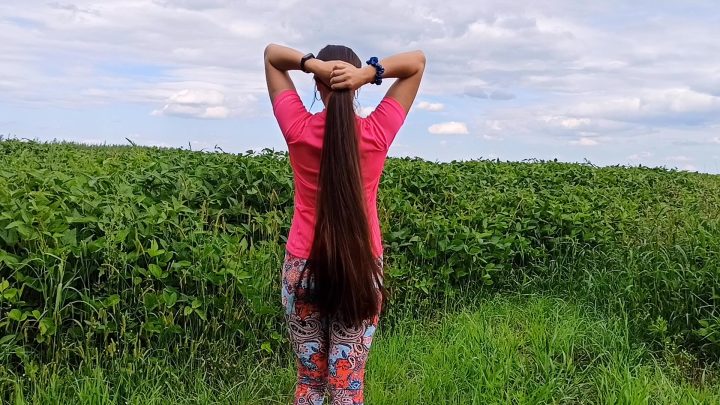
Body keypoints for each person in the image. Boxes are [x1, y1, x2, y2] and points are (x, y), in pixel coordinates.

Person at [264, 42, 425, 405]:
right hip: (360, 266)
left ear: (318, 86)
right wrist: (370, 73)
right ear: (356, 88)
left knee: (310, 383)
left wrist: (311, 66)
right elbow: (417, 62)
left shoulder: (298, 130)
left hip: (301, 269)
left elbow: (272, 55)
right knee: (346, 385)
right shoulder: (376, 134)